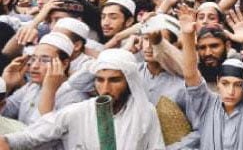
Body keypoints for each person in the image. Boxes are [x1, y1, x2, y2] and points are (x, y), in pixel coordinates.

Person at [0, 49, 165, 149]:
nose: (105, 89)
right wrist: (6, 141)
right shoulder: (78, 111)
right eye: (100, 79)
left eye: (114, 80)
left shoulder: (144, 112)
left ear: (129, 82)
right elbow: (30, 136)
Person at [180, 4, 243, 149]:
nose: (231, 91)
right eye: (225, 83)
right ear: (218, 82)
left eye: (238, 85)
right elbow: (190, 75)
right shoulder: (207, 103)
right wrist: (188, 36)